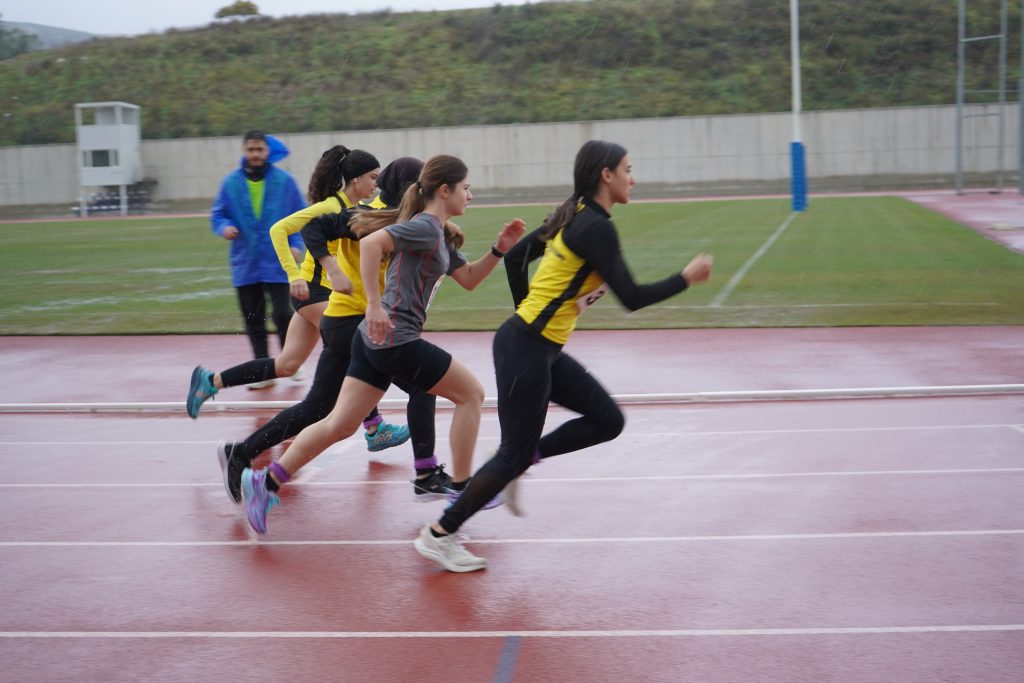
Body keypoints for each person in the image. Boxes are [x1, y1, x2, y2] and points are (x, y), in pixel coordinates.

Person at [414, 140, 714, 572]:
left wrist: (527, 315)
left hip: (540, 348)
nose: (633, 179)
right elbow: (631, 297)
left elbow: (516, 259)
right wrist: (686, 278)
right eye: (628, 170)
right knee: (511, 455)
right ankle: (440, 533)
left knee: (607, 420)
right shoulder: (593, 226)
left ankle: (520, 461)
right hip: (526, 347)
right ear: (606, 175)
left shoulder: (574, 213)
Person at [238, 154, 526, 534]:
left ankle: (265, 482)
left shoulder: (435, 231)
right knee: (471, 394)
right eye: (466, 188)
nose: (470, 195)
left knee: (339, 424)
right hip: (394, 337)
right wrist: (373, 305)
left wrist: (499, 249)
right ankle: (460, 489)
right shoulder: (423, 227)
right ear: (444, 190)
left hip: (373, 339)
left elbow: (470, 279)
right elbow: (372, 244)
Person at [212, 157, 452, 505]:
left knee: (318, 408)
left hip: (351, 323)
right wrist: (332, 269)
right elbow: (313, 228)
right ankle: (424, 473)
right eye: (421, 186)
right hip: (353, 322)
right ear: (407, 187)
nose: (426, 193)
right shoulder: (372, 216)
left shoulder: (405, 219)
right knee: (422, 384)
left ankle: (241, 453)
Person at [188, 146, 411, 453]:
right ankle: (374, 428)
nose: (377, 184)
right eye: (373, 177)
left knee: (287, 364)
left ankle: (211, 381)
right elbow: (278, 229)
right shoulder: (329, 207)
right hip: (315, 292)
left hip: (320, 295)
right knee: (358, 344)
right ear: (356, 179)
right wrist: (293, 275)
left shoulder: (356, 208)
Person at [207, 130, 306, 382]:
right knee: (253, 319)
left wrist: (296, 244)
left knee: (284, 314)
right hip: (246, 263)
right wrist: (224, 227)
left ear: (267, 151)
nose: (255, 154)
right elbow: (218, 214)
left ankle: (290, 363)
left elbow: (300, 215)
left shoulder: (284, 181)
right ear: (244, 151)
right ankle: (262, 371)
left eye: (259, 149)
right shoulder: (230, 183)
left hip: (279, 261)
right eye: (251, 149)